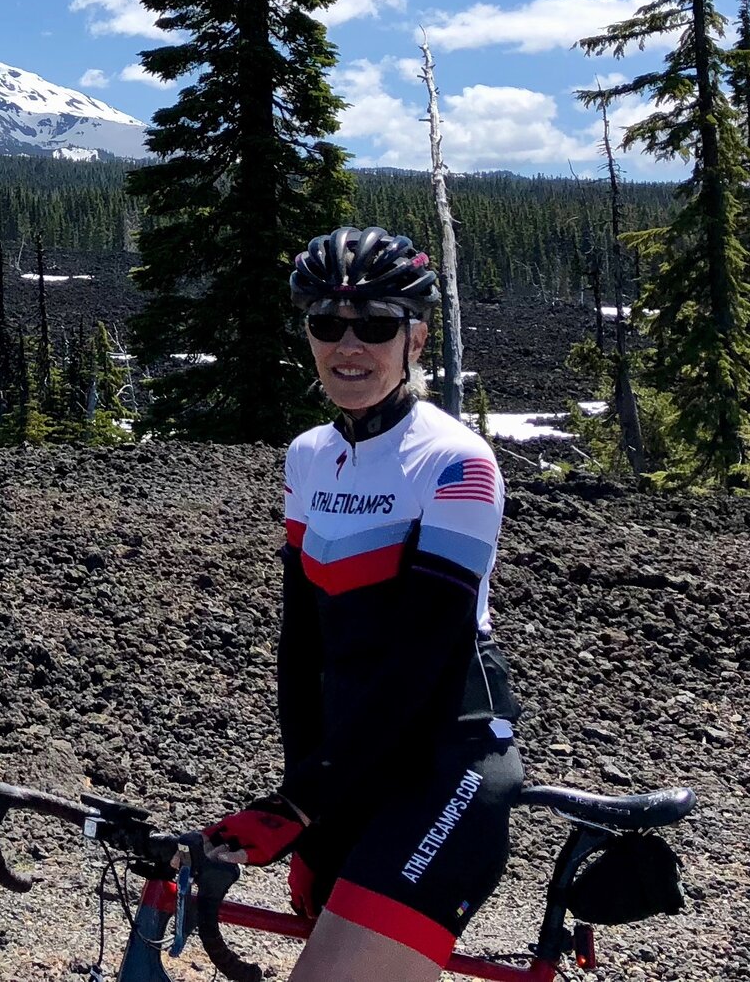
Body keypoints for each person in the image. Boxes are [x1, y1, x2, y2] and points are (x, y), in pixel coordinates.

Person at [205, 226, 523, 982]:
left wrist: (306, 801)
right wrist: (309, 817)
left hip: (448, 765)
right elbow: (302, 648)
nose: (349, 344)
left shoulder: (455, 460)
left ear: (416, 334)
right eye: (326, 323)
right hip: (359, 765)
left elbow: (422, 659)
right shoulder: (309, 455)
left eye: (375, 324)